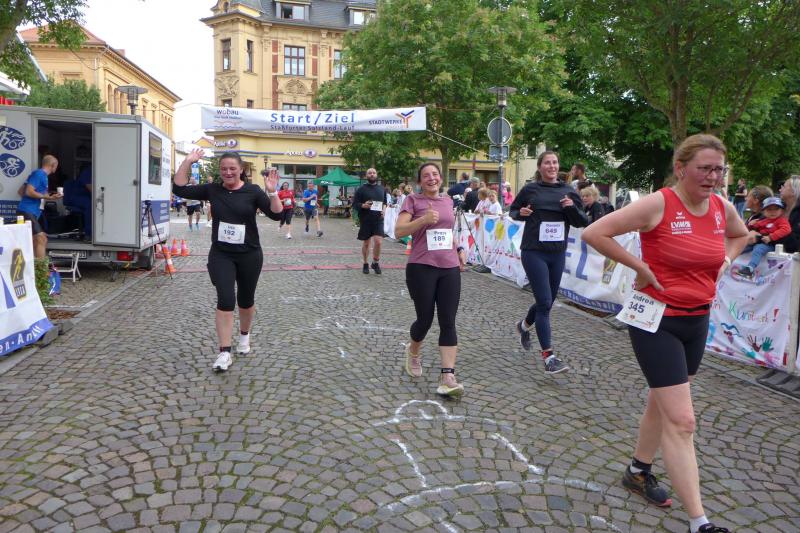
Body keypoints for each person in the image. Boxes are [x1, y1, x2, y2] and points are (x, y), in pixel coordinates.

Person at [582, 134, 748, 533]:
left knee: (662, 402)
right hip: (656, 320)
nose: (712, 177)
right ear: (681, 168)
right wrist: (639, 266)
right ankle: (699, 521)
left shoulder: (721, 208)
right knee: (683, 420)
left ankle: (638, 471)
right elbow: (595, 233)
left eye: (718, 170)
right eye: (704, 169)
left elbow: (741, 235)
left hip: (696, 320)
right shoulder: (659, 203)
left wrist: (726, 260)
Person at [172, 149, 283, 372]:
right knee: (225, 298)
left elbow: (277, 214)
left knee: (246, 299)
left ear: (241, 170)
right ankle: (224, 352)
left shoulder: (253, 191)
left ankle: (244, 336)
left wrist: (272, 192)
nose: (228, 172)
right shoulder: (212, 189)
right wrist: (188, 161)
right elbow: (179, 188)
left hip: (249, 254)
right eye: (224, 169)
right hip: (221, 254)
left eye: (232, 168)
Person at [509, 151, 588, 374]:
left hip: (557, 253)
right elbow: (513, 211)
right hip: (534, 252)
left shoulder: (568, 192)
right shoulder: (530, 190)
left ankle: (523, 326)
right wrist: (521, 213)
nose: (552, 166)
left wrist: (570, 208)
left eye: (554, 162)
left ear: (558, 166)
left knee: (547, 301)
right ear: (540, 167)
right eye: (547, 163)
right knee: (544, 302)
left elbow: (582, 221)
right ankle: (549, 357)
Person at [395, 162, 467, 397]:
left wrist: (458, 249)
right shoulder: (412, 201)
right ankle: (413, 351)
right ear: (420, 181)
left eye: (435, 174)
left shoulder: (447, 201)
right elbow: (399, 231)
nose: (432, 178)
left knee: (448, 321)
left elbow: (447, 232)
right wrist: (422, 220)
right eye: (426, 175)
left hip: (449, 267)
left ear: (441, 178)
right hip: (421, 266)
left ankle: (448, 377)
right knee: (424, 319)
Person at [16, 155, 62, 258]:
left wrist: (51, 196)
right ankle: (42, 268)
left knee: (34, 241)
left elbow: (21, 191)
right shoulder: (39, 174)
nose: (56, 168)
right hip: (27, 211)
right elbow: (28, 192)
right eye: (56, 165)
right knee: (42, 239)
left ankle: (33, 265)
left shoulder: (41, 175)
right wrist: (46, 197)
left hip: (32, 211)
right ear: (53, 165)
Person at [738, 197, 791, 278]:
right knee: (742, 246)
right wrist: (751, 225)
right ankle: (728, 260)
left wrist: (771, 237)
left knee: (758, 249)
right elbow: (751, 229)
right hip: (759, 241)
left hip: (771, 245)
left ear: (782, 211)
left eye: (776, 209)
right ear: (763, 211)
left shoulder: (782, 220)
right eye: (769, 209)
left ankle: (750, 268)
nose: (773, 212)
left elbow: (786, 229)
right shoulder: (763, 220)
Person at [353, 168, 387, 274]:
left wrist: (384, 210)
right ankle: (365, 263)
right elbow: (355, 204)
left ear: (376, 175)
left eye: (374, 173)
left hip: (378, 219)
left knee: (378, 242)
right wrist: (363, 205)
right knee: (367, 243)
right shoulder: (361, 189)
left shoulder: (382, 189)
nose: (372, 174)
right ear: (366, 176)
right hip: (366, 219)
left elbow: (385, 203)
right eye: (370, 173)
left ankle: (375, 262)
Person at [779, 175, 800, 253]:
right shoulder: (777, 209)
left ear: (793, 192)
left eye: (784, 186)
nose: (780, 189)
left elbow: (794, 246)